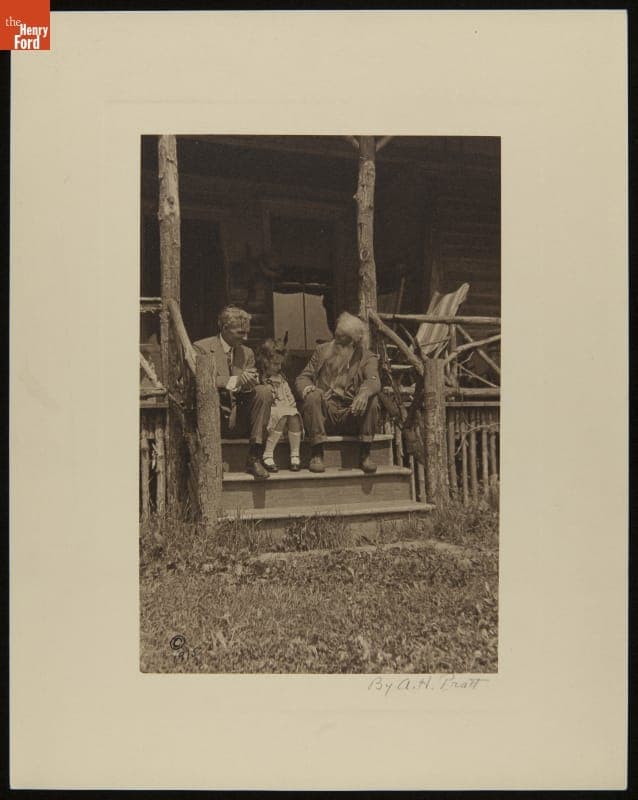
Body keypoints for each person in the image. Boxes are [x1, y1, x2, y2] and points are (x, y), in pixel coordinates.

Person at [295, 311, 381, 474]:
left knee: (373, 399)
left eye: (342, 340)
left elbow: (374, 380)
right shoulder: (322, 351)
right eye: (336, 336)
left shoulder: (367, 357)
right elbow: (302, 378)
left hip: (351, 414)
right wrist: (307, 388)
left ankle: (364, 454)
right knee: (313, 396)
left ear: (355, 342)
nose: (336, 343)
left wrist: (364, 393)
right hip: (324, 415)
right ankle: (317, 454)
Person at [193, 306, 272, 480]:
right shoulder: (201, 348)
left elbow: (247, 386)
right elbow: (200, 382)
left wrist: (250, 383)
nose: (246, 338)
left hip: (239, 416)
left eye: (247, 332)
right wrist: (235, 381)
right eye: (240, 333)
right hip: (216, 416)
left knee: (264, 392)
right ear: (224, 328)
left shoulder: (247, 353)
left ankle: (255, 456)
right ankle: (213, 460)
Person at [256, 337, 303, 472]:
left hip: (284, 413)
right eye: (275, 364)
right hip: (271, 414)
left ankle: (295, 454)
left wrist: (290, 403)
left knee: (293, 414)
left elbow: (288, 395)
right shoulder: (262, 380)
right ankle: (268, 453)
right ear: (265, 362)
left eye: (280, 364)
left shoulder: (281, 379)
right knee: (283, 414)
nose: (279, 367)